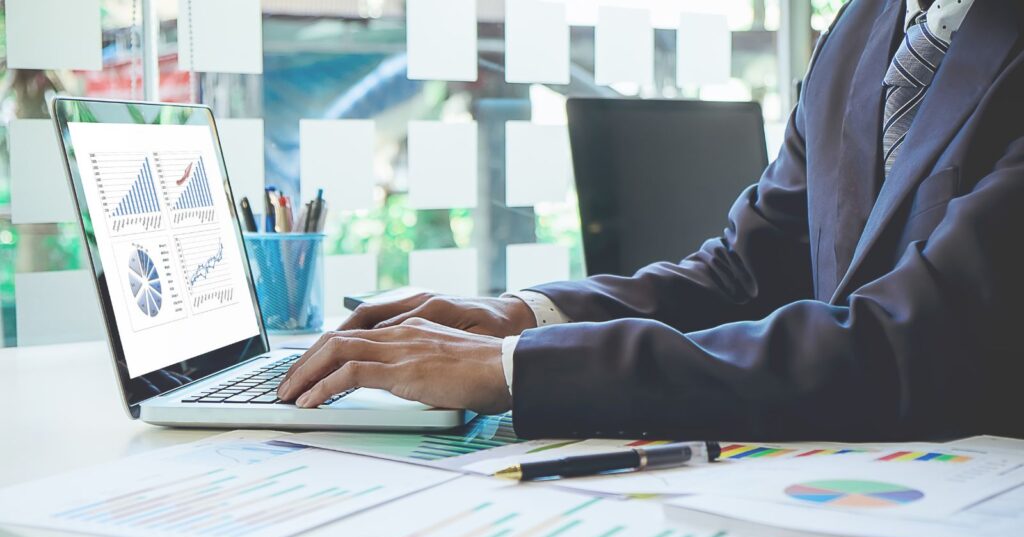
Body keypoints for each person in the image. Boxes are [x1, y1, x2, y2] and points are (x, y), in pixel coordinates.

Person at [278, 0, 1024, 441]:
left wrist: (517, 371)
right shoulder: (866, 23)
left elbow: (912, 340)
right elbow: (746, 271)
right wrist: (522, 317)